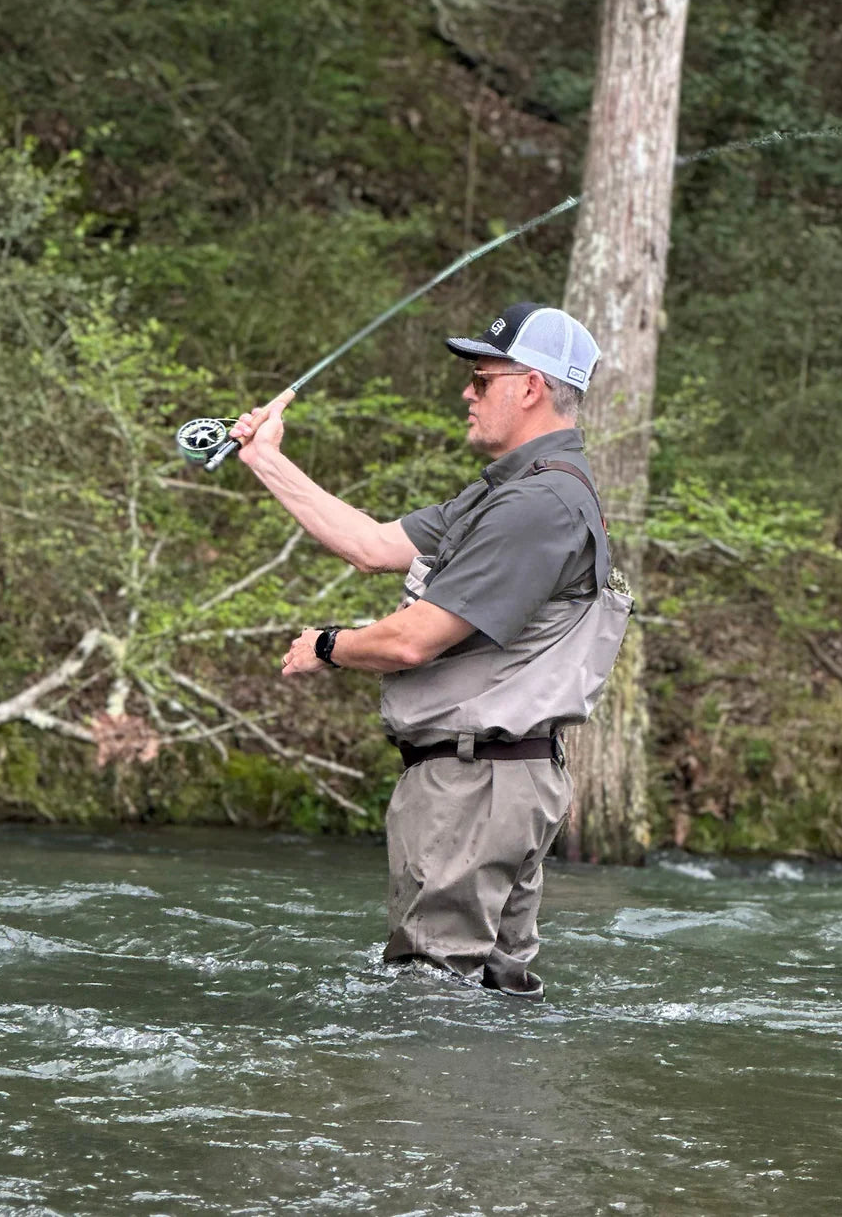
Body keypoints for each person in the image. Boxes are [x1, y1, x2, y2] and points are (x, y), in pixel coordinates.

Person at [228, 302, 630, 999]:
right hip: (500, 779)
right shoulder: (513, 493)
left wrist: (329, 645)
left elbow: (415, 640)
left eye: (480, 379)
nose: (466, 394)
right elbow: (371, 545)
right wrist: (266, 459)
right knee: (489, 994)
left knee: (430, 995)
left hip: (476, 785)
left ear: (529, 387)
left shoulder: (536, 507)